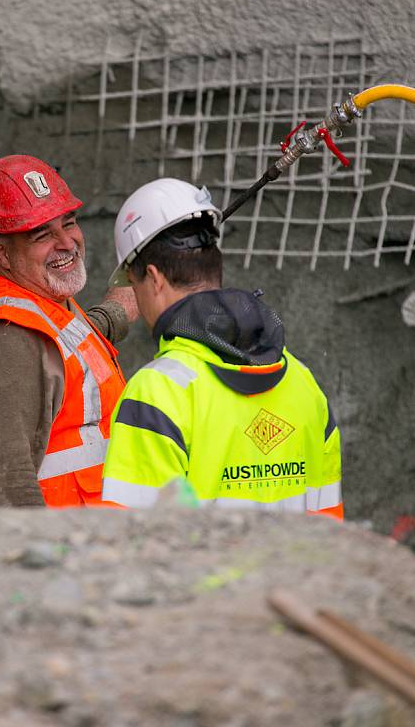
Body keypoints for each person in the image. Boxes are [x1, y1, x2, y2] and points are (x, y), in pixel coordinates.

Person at [102, 178, 343, 519]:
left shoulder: (156, 394)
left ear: (154, 278)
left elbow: (132, 543)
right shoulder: (304, 384)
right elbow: (331, 529)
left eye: (134, 284)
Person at [0, 154, 137, 507]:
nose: (66, 243)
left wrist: (126, 297)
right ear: (2, 254)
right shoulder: (8, 339)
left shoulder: (46, 304)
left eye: (68, 223)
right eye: (42, 235)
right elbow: (6, 487)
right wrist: (49, 559)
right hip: (66, 551)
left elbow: (74, 348)